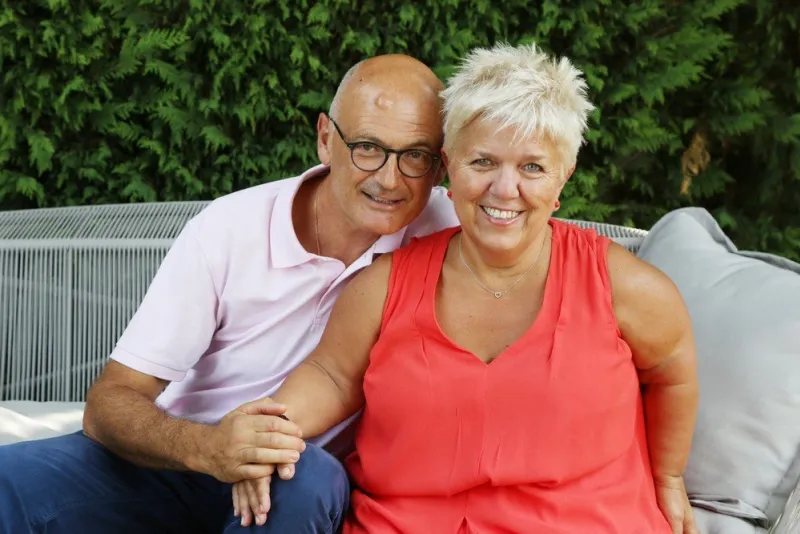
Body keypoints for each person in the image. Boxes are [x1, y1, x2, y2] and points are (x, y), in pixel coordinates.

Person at [233, 42, 701, 533]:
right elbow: (330, 376)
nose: (504, 189)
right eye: (483, 162)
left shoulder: (623, 286)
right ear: (448, 166)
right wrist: (267, 437)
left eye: (532, 167)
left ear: (564, 178)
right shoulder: (383, 286)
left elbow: (674, 369)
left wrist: (668, 477)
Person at [0, 54, 460, 534]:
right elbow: (113, 400)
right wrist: (213, 449)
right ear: (325, 139)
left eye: (416, 156)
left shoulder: (448, 233)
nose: (390, 179)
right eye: (367, 147)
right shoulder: (228, 228)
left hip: (289, 478)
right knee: (7, 481)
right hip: (177, 458)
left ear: (439, 164)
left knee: (309, 476)